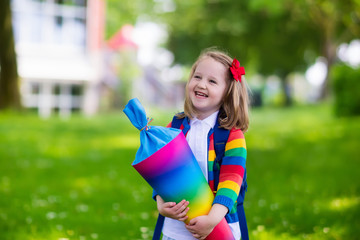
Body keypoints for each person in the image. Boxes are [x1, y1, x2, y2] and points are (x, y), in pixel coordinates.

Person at [154, 48, 250, 240]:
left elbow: (231, 182)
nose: (201, 84)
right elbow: (161, 172)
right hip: (176, 229)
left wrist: (212, 220)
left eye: (212, 81)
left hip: (218, 226)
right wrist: (160, 203)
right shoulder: (174, 128)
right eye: (197, 77)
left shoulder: (232, 135)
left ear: (227, 92)